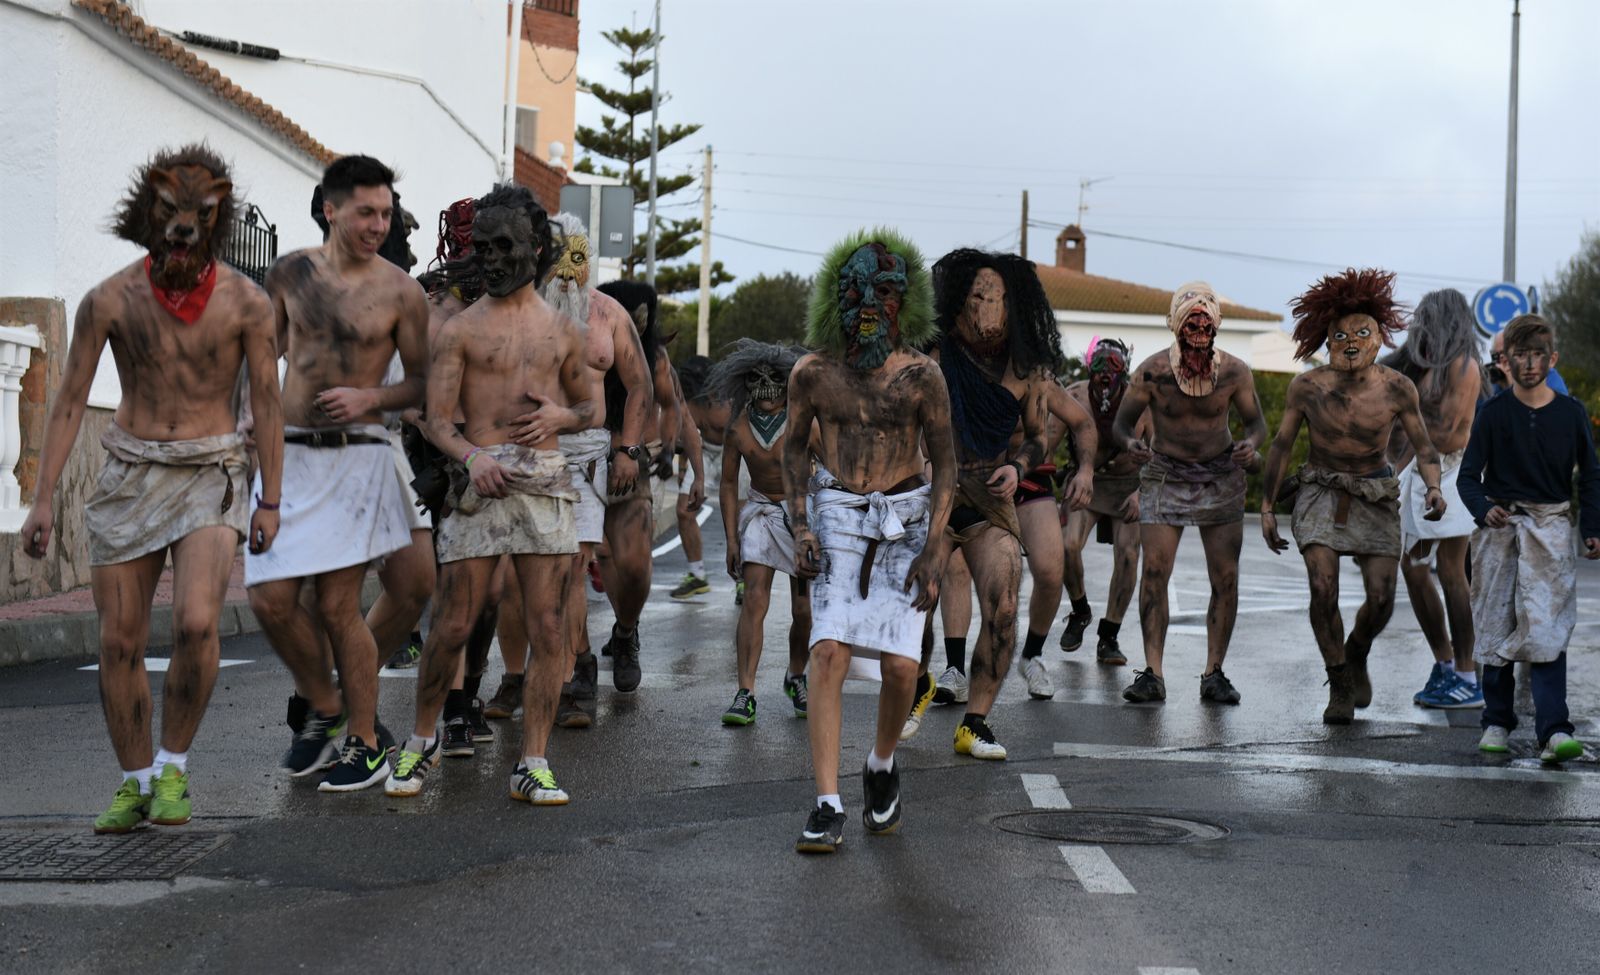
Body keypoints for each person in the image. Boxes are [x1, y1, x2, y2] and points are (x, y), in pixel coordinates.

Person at [21, 145, 283, 833]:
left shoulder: (248, 304)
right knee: (118, 641)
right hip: (129, 469)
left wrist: (273, 500)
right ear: (148, 211)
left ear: (217, 217)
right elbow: (71, 399)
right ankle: (135, 779)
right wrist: (42, 496)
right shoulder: (109, 298)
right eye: (168, 213)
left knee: (198, 621)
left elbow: (270, 403)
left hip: (212, 472)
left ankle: (173, 765)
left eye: (197, 217)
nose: (181, 230)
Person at [384, 184, 594, 803]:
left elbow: (590, 405)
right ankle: (420, 744)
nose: (492, 259)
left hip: (546, 484)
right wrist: (471, 457)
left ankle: (533, 760)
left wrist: (559, 417)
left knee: (549, 627)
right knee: (450, 623)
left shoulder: (563, 332)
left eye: (504, 246)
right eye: (482, 249)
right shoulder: (460, 332)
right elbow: (436, 418)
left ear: (537, 248)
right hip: (479, 486)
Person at [246, 155, 428, 792]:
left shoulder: (402, 292)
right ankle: (323, 705)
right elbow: (261, 355)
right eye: (365, 213)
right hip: (289, 455)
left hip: (357, 456)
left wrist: (370, 399)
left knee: (337, 605)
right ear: (331, 208)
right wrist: (251, 419)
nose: (378, 225)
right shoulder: (290, 272)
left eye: (385, 213)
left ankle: (365, 741)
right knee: (268, 598)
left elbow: (424, 384)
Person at [786, 230, 954, 853]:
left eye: (885, 292)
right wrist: (800, 523)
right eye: (857, 289)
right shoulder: (812, 375)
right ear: (838, 296)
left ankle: (880, 764)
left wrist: (936, 544)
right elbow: (793, 456)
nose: (869, 304)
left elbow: (946, 460)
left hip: (905, 518)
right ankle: (827, 801)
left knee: (902, 667)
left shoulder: (921, 377)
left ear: (903, 303)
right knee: (826, 651)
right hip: (836, 512)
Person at [481, 213, 654, 730]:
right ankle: (517, 676)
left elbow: (640, 384)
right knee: (514, 576)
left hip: (586, 456)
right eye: (558, 255)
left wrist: (630, 450)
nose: (566, 270)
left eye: (576, 256)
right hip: (524, 450)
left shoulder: (609, 315)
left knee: (571, 568)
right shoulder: (514, 310)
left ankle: (573, 676)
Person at [1261, 268, 1445, 724]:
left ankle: (1357, 650)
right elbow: (1282, 446)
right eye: (1340, 334)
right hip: (1321, 489)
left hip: (1374, 492)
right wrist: (1266, 506)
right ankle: (1339, 680)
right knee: (1322, 587)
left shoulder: (1397, 388)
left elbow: (1425, 448)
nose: (1349, 342)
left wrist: (1435, 488)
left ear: (1378, 336)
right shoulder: (1308, 387)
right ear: (1326, 337)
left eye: (1361, 332)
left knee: (1382, 597)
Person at [927, 249, 1060, 759]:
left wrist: (1020, 466)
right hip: (933, 490)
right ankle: (916, 686)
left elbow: (1038, 437)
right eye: (979, 297)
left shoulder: (1026, 369)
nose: (989, 310)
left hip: (989, 493)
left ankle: (975, 722)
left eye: (1000, 298)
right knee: (919, 600)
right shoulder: (933, 355)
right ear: (959, 300)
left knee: (1005, 602)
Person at [1113, 282, 1267, 705]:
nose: (1199, 330)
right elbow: (1122, 425)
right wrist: (1131, 444)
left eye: (1205, 323)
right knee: (1155, 572)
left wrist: (1250, 445)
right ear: (1177, 326)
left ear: (1215, 327)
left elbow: (1257, 424)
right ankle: (1153, 673)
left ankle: (1214, 672)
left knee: (1226, 577)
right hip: (1165, 474)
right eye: (1191, 323)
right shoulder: (1150, 373)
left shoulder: (1235, 372)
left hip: (1220, 476)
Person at [1460, 314, 1599, 762]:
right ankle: (1497, 722)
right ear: (1507, 361)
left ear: (1551, 358)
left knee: (1547, 627)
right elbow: (1467, 478)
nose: (1530, 363)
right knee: (1497, 625)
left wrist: (1592, 529)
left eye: (1538, 354)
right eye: (1520, 355)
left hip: (1551, 532)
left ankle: (1554, 731)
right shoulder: (1493, 413)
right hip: (1500, 535)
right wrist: (1484, 510)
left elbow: (1591, 477)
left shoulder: (1571, 413)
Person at [1381, 289, 1487, 709]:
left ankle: (1466, 674)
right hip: (1421, 475)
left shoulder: (1464, 366)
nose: (1418, 323)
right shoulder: (1429, 363)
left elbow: (1443, 433)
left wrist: (1406, 450)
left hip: (1450, 473)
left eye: (1426, 316)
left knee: (1451, 571)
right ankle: (1445, 665)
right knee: (1414, 568)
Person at [593, 280, 694, 694]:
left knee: (635, 566)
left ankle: (625, 632)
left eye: (643, 313)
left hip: (632, 467)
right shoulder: (584, 337)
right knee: (598, 561)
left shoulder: (654, 358)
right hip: (579, 465)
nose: (637, 319)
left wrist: (669, 451)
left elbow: (671, 406)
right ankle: (575, 665)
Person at [709, 340, 811, 725]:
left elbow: (832, 468)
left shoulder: (805, 421)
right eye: (758, 380)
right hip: (760, 515)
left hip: (802, 516)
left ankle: (796, 674)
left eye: (776, 380)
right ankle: (745, 692)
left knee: (805, 609)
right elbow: (728, 483)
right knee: (754, 600)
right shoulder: (738, 427)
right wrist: (733, 539)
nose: (767, 388)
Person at [1061, 338, 1150, 666]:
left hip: (1130, 486)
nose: (1105, 374)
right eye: (1099, 365)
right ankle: (1080, 610)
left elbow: (1162, 453)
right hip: (1087, 483)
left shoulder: (1142, 401)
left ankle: (1109, 635)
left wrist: (1142, 492)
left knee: (1128, 555)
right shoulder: (1073, 395)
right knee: (1066, 547)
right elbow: (1044, 439)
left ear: (1124, 368)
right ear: (1088, 366)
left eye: (1113, 366)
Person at [1010, 367, 1096, 699]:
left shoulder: (1038, 376)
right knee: (959, 571)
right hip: (976, 479)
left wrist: (1086, 471)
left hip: (1030, 479)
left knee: (1050, 569)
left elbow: (1083, 422)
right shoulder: (961, 362)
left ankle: (1032, 655)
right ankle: (955, 665)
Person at [676, 354, 745, 601]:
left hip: (735, 453)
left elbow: (744, 439)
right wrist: (686, 469)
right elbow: (686, 437)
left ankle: (743, 579)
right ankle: (697, 576)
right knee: (684, 510)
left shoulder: (725, 406)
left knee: (739, 514)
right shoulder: (685, 403)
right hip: (703, 451)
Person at [1489, 327, 1568, 396]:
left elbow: (1557, 409)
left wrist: (1515, 387)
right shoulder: (1495, 380)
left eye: (1506, 354)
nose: (1502, 362)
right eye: (1496, 356)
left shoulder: (1545, 374)